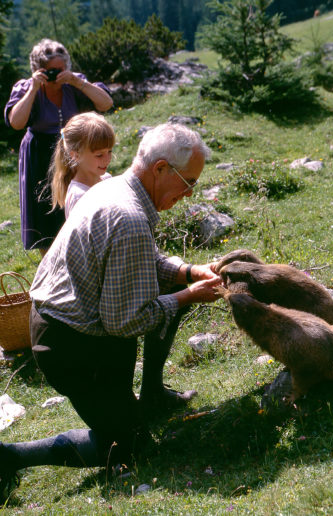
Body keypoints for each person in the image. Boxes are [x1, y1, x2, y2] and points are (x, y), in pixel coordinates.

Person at [0, 123, 222, 504]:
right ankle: (10, 456)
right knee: (130, 447)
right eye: (189, 183)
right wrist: (188, 296)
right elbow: (126, 322)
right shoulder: (129, 217)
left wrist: (185, 272)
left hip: (72, 327)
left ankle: (142, 399)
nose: (188, 195)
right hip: (70, 345)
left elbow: (143, 259)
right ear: (161, 168)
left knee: (125, 415)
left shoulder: (112, 188)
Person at [4, 38, 113, 256]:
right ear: (37, 70)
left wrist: (75, 81)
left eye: (60, 70)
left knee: (76, 202)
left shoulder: (75, 83)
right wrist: (34, 88)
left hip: (73, 150)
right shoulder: (27, 88)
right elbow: (16, 122)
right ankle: (49, 261)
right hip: (39, 154)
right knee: (44, 211)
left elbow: (106, 104)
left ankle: (82, 250)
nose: (55, 75)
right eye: (49, 71)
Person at [50, 112, 115, 218]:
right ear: (75, 156)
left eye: (110, 151)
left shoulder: (107, 179)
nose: (107, 159)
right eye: (99, 155)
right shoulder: (79, 196)